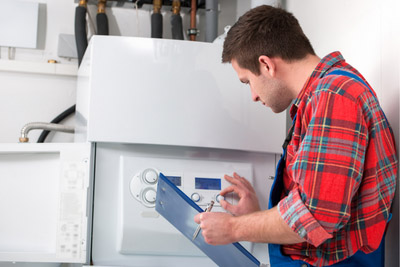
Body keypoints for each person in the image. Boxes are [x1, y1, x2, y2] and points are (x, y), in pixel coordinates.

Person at [194, 5, 397, 267]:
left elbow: (317, 216)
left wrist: (235, 228)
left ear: (266, 65)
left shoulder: (334, 96)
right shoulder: (316, 100)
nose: (253, 96)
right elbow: (313, 208)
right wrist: (258, 216)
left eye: (247, 82)